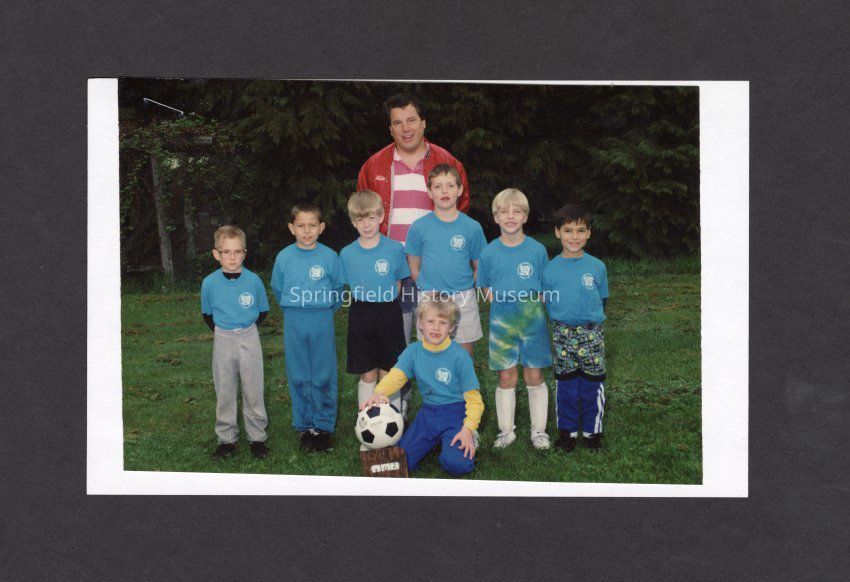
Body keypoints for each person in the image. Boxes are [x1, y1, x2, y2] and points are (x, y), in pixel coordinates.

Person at [357, 93, 471, 414]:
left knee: (438, 340)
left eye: (411, 120)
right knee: (396, 344)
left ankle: (449, 409)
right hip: (392, 271)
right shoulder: (374, 166)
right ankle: (397, 408)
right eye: (398, 123)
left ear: (423, 123)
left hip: (434, 271)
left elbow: (460, 210)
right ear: (390, 129)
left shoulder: (447, 163)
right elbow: (364, 216)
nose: (405, 129)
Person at [361, 297, 483, 477]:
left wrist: (468, 428)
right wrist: (379, 392)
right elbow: (395, 376)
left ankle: (462, 439)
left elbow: (475, 401)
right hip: (428, 415)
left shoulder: (460, 357)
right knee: (398, 463)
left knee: (457, 464)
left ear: (451, 328)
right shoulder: (413, 352)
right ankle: (435, 441)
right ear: (420, 323)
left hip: (456, 414)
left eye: (443, 323)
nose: (436, 328)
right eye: (430, 321)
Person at [477, 188, 553, 450]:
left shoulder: (537, 250)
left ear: (525, 217)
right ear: (496, 217)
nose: (510, 216)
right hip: (502, 323)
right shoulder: (489, 252)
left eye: (516, 211)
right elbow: (484, 285)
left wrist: (536, 308)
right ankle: (506, 431)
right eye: (504, 211)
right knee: (506, 375)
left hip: (533, 322)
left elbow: (545, 287)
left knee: (534, 373)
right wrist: (498, 302)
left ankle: (539, 431)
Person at [270, 202, 343, 452]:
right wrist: (294, 308)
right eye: (301, 226)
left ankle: (323, 427)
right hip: (295, 319)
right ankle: (304, 425)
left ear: (321, 227)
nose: (307, 231)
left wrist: (324, 309)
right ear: (292, 228)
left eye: (312, 225)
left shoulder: (329, 257)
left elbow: (337, 289)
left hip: (321, 319)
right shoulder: (284, 257)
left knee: (324, 373)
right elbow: (278, 288)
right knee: (299, 373)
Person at [542, 203, 609, 452]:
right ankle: (567, 432)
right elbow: (548, 301)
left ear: (589, 233)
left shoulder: (597, 266)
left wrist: (589, 321)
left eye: (581, 230)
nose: (574, 237)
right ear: (557, 232)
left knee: (593, 382)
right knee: (566, 383)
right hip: (562, 333)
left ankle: (593, 432)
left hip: (591, 333)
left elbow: (602, 299)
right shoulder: (550, 269)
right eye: (568, 231)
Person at [200, 225, 271, 460]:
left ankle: (257, 437)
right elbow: (207, 314)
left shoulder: (253, 281)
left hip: (249, 336)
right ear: (216, 254)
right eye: (226, 252)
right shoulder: (209, 283)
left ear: (244, 253)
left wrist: (245, 329)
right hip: (223, 338)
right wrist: (225, 331)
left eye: (237, 252)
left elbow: (262, 311)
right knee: (225, 390)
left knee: (253, 388)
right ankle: (226, 439)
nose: (232, 257)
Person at [339, 190, 409, 411]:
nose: (367, 224)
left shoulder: (395, 249)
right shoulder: (347, 253)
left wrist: (386, 300)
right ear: (353, 222)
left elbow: (398, 283)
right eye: (360, 220)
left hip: (389, 313)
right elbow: (347, 284)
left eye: (371, 217)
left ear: (381, 217)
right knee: (368, 372)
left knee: (390, 371)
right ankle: (366, 419)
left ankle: (393, 418)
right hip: (361, 315)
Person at [406, 164, 486, 356]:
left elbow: (480, 267)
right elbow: (414, 268)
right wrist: (429, 290)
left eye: (450, 185)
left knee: (463, 355)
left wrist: (464, 287)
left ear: (460, 190)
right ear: (430, 192)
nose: (444, 191)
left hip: (463, 298)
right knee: (431, 355)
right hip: (429, 298)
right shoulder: (419, 227)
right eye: (438, 186)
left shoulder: (472, 227)